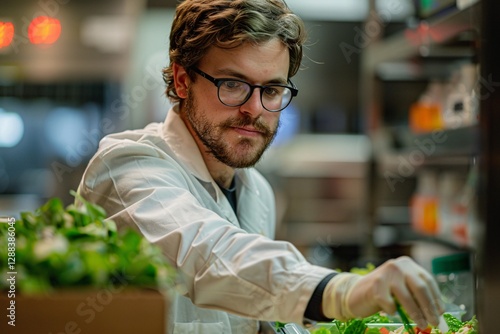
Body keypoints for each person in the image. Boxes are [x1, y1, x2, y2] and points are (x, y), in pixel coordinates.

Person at [77, 0, 445, 333]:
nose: (254, 109)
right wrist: (341, 291)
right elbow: (206, 256)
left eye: (271, 90)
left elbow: (250, 308)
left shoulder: (257, 192)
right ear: (183, 80)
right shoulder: (127, 167)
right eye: (234, 84)